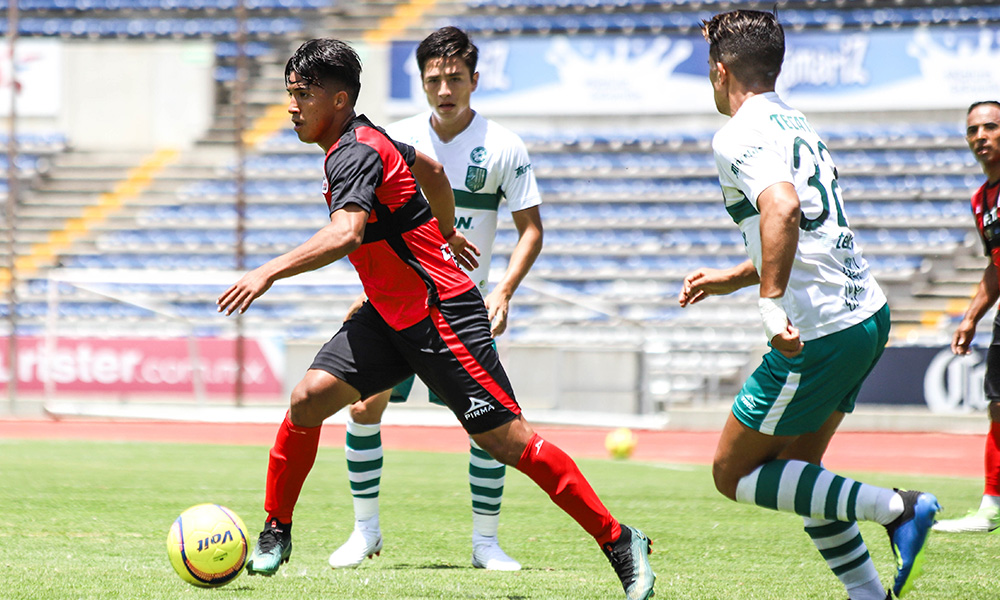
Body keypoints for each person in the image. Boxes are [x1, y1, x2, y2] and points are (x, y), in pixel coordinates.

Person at [217, 38, 655, 600]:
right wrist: (445, 230)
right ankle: (277, 530)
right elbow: (430, 169)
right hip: (390, 314)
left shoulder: (355, 151)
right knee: (308, 399)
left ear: (340, 99)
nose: (292, 107)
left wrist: (268, 271)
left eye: (302, 95)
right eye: (289, 95)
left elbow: (348, 232)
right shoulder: (372, 139)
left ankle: (621, 540)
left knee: (508, 442)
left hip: (440, 314)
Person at [678, 10, 939, 600]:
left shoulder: (738, 132)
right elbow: (804, 228)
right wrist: (736, 277)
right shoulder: (796, 123)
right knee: (798, 470)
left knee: (732, 473)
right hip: (865, 314)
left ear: (720, 72)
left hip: (819, 329)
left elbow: (785, 210)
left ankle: (900, 509)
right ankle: (868, 594)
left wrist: (769, 303)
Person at [328, 26, 543, 572]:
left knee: (492, 425)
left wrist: (504, 290)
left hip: (463, 306)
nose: (444, 89)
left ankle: (486, 543)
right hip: (400, 304)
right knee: (363, 405)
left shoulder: (503, 146)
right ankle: (365, 532)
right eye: (433, 80)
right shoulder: (394, 138)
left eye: (454, 78)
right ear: (421, 83)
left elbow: (531, 230)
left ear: (474, 79)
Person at [932, 100, 1000, 534]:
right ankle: (991, 507)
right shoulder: (982, 199)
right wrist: (971, 316)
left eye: (991, 127)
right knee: (997, 405)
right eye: (974, 130)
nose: (981, 137)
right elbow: (995, 265)